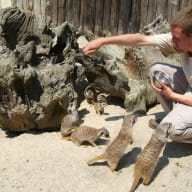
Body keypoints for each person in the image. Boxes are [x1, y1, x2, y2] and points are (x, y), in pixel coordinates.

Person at [83, 6, 192, 143]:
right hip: (189, 85)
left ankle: (175, 125)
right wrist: (102, 42)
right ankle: (174, 116)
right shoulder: (178, 41)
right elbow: (140, 39)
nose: (172, 41)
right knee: (157, 70)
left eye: (176, 38)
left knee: (173, 131)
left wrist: (173, 96)